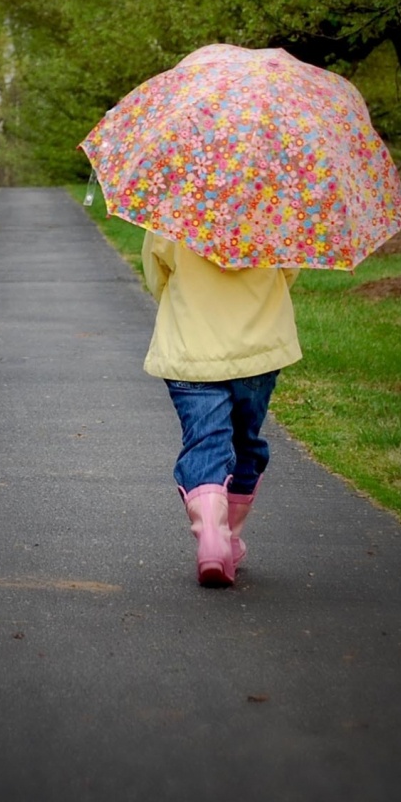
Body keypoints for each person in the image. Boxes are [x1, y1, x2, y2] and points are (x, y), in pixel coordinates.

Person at [141, 230, 302, 587]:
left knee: (206, 441)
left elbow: (157, 274)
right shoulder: (278, 211)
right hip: (256, 352)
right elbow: (288, 273)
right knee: (246, 441)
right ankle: (227, 535)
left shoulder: (175, 211)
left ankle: (212, 538)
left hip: (192, 348)